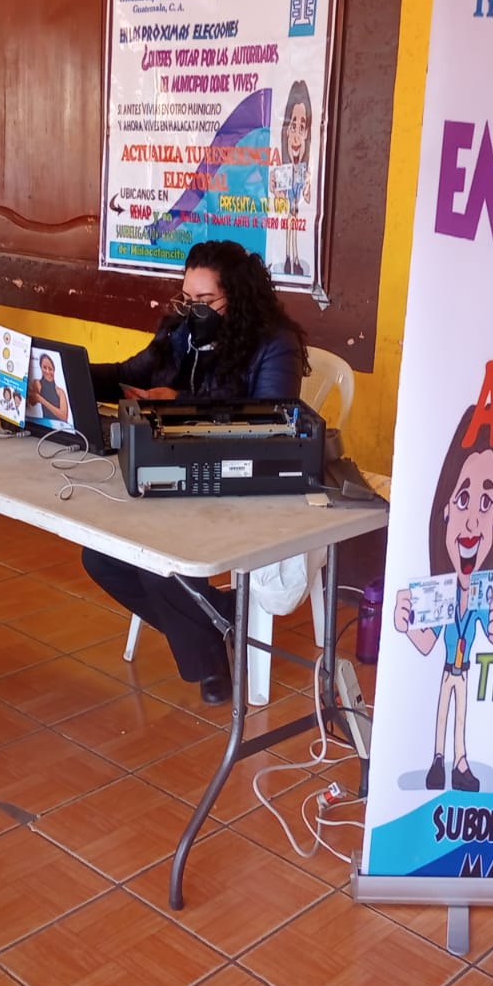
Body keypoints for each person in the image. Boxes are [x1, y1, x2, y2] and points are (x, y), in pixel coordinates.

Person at [84, 239, 309, 702]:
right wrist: (71, 374)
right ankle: (221, 619)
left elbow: (269, 421)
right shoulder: (180, 332)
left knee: (158, 559)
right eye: (187, 299)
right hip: (175, 470)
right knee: (100, 556)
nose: (193, 310)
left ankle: (209, 664)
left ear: (237, 297)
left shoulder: (274, 345)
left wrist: (180, 404)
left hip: (241, 478)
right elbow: (130, 372)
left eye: (205, 301)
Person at [393, 408, 493, 792]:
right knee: (442, 712)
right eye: (463, 499)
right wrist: (404, 623)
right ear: (445, 507)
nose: (473, 521)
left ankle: (460, 763)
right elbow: (426, 642)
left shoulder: (481, 595)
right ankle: (437, 761)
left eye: (485, 503)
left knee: (460, 715)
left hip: (464, 671)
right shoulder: (440, 594)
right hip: (448, 669)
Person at [269, 79, 313, 276]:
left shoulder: (304, 171)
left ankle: (295, 260)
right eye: (292, 126)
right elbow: (277, 194)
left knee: (294, 231)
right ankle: (288, 258)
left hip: (295, 209)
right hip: (289, 210)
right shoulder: (283, 171)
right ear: (286, 131)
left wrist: (309, 186)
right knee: (289, 231)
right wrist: (274, 188)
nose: (296, 136)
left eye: (302, 127)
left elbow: (308, 198)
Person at [29, 352, 71, 424]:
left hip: (61, 426)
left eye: (50, 369)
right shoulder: (37, 383)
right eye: (44, 367)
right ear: (40, 368)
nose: (47, 371)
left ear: (54, 370)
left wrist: (42, 400)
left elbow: (64, 417)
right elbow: (32, 402)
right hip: (46, 424)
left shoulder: (60, 391)